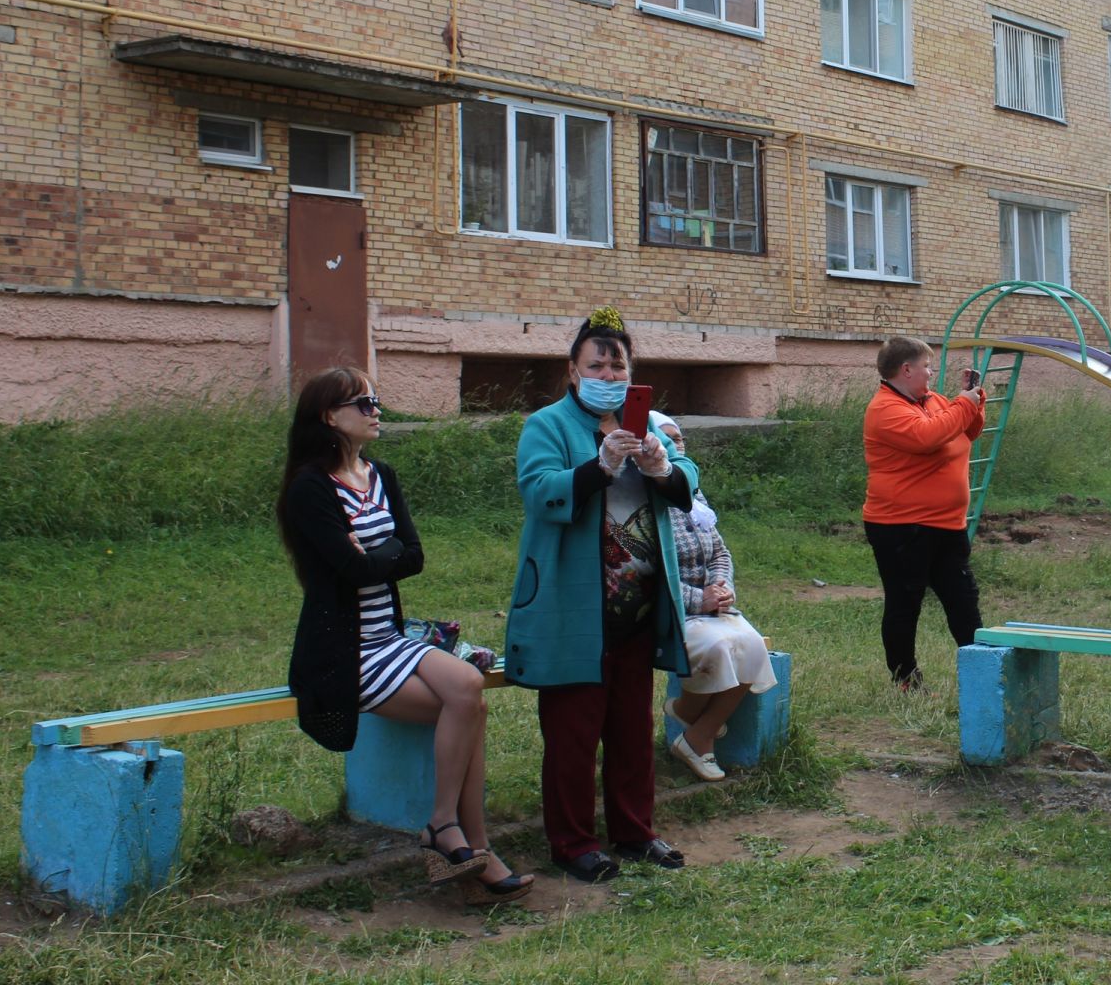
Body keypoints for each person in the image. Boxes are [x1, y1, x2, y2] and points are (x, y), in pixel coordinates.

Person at [280, 367, 532, 905]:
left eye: (376, 402)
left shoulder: (381, 475)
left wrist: (370, 555)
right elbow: (352, 574)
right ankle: (466, 843)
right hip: (344, 654)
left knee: (469, 690)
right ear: (330, 416)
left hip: (390, 638)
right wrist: (374, 558)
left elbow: (412, 556)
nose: (376, 411)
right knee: (468, 706)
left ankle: (446, 829)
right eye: (364, 403)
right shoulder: (308, 489)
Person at [504, 307, 695, 883]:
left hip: (637, 606)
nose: (608, 374)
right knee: (573, 732)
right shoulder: (547, 426)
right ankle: (571, 841)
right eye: (597, 364)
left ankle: (636, 832)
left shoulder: (649, 426)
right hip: (574, 606)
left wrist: (662, 467)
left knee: (632, 730)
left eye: (618, 365)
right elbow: (540, 492)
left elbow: (688, 483)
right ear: (572, 370)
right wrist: (599, 465)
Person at [649, 411, 779, 783]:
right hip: (672, 612)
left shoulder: (692, 491)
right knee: (720, 648)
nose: (676, 446)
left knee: (753, 646)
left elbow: (719, 551)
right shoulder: (644, 496)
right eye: (667, 438)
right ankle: (698, 732)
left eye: (681, 439)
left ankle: (694, 728)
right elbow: (647, 570)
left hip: (711, 607)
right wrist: (697, 599)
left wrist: (722, 587)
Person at [861, 335, 988, 691]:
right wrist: (961, 405)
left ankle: (982, 671)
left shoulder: (932, 400)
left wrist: (973, 402)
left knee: (963, 600)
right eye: (926, 366)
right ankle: (905, 678)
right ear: (906, 369)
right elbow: (928, 437)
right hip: (900, 527)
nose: (931, 373)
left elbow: (967, 430)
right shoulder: (885, 409)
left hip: (947, 525)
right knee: (905, 602)